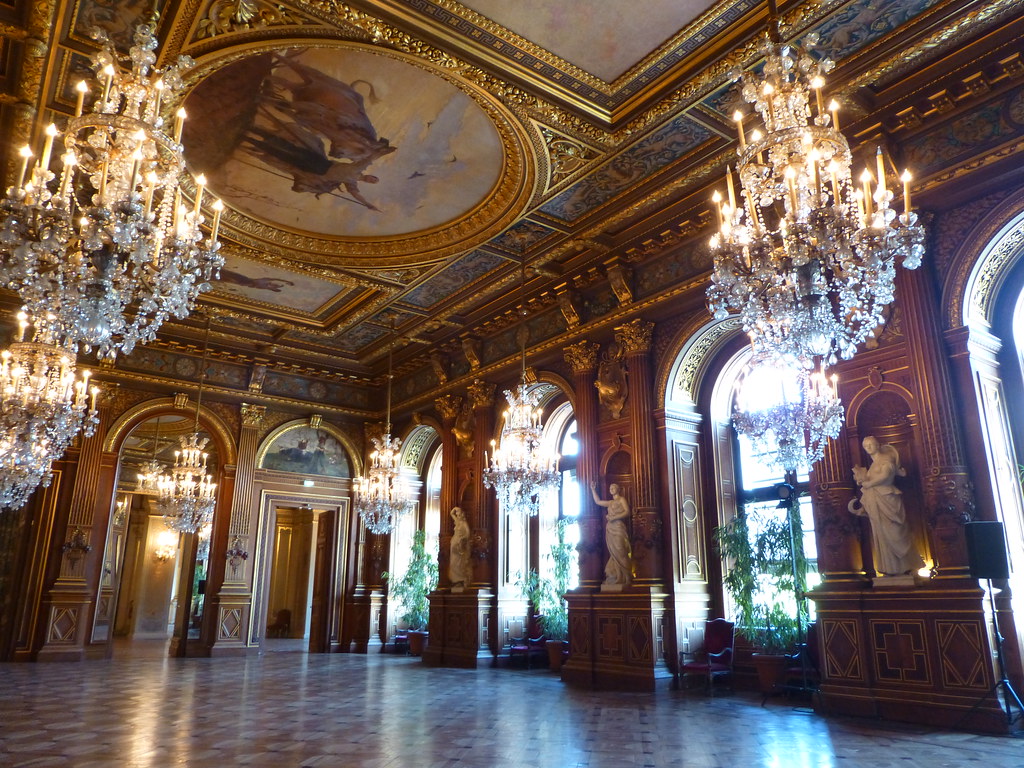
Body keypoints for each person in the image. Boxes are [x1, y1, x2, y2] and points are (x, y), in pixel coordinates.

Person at [848, 436, 924, 576]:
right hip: (876, 502)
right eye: (866, 446)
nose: (869, 448)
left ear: (878, 445)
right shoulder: (873, 465)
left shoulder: (886, 459)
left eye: (871, 444)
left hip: (888, 499)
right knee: (881, 534)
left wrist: (869, 483)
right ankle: (891, 569)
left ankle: (907, 566)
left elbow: (886, 475)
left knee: (896, 532)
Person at [590, 481, 633, 588]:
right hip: (610, 528)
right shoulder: (610, 502)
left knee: (621, 551)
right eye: (610, 488)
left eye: (613, 487)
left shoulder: (621, 499)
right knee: (614, 553)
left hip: (618, 527)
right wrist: (593, 489)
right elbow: (598, 501)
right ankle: (618, 576)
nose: (611, 489)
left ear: (618, 489)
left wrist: (614, 517)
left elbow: (627, 512)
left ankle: (628, 577)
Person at [449, 507, 471, 588]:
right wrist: (456, 508)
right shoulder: (457, 522)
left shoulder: (464, 524)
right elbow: (451, 513)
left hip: (459, 546)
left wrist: (462, 539)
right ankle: (455, 581)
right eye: (457, 515)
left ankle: (460, 580)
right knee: (453, 562)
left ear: (462, 515)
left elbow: (468, 534)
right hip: (454, 543)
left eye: (459, 515)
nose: (457, 516)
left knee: (459, 563)